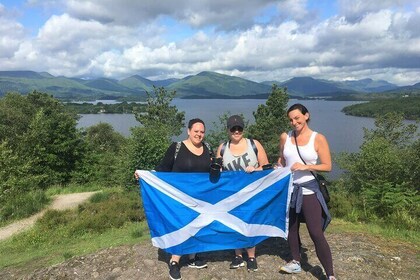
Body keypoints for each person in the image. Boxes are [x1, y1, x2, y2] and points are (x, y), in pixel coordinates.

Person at [135, 118, 213, 280]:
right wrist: (145, 175)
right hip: (179, 198)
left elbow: (212, 173)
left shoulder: (208, 149)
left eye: (202, 131)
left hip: (200, 199)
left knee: (197, 226)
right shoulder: (176, 148)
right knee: (180, 227)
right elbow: (162, 169)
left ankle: (192, 257)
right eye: (196, 131)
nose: (199, 134)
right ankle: (174, 261)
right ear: (189, 131)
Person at [278, 104, 336, 280]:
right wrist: (277, 167)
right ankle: (296, 261)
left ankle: (330, 274)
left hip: (309, 190)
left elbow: (327, 166)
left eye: (297, 118)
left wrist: (306, 166)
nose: (294, 122)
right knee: (291, 228)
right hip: (289, 189)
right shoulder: (285, 137)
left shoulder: (317, 138)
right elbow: (282, 159)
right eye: (290, 119)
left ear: (306, 116)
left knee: (315, 232)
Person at [215, 115, 269, 272]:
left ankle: (251, 256)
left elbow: (266, 167)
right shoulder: (223, 148)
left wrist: (255, 169)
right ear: (228, 130)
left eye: (239, 128)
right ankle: (238, 255)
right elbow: (218, 170)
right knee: (233, 224)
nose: (236, 131)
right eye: (233, 129)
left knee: (249, 223)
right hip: (231, 195)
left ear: (243, 129)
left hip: (252, 194)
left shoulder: (254, 144)